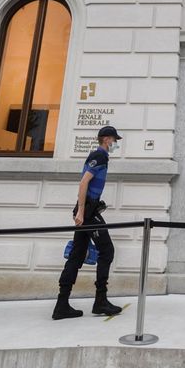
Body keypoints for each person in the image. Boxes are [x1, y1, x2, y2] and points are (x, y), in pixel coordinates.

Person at [53, 125, 123, 319]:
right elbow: (84, 182)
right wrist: (82, 211)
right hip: (88, 212)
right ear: (107, 139)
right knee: (106, 251)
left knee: (77, 255)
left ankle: (61, 305)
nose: (115, 144)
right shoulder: (99, 155)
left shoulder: (99, 156)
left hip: (89, 210)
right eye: (114, 140)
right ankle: (100, 301)